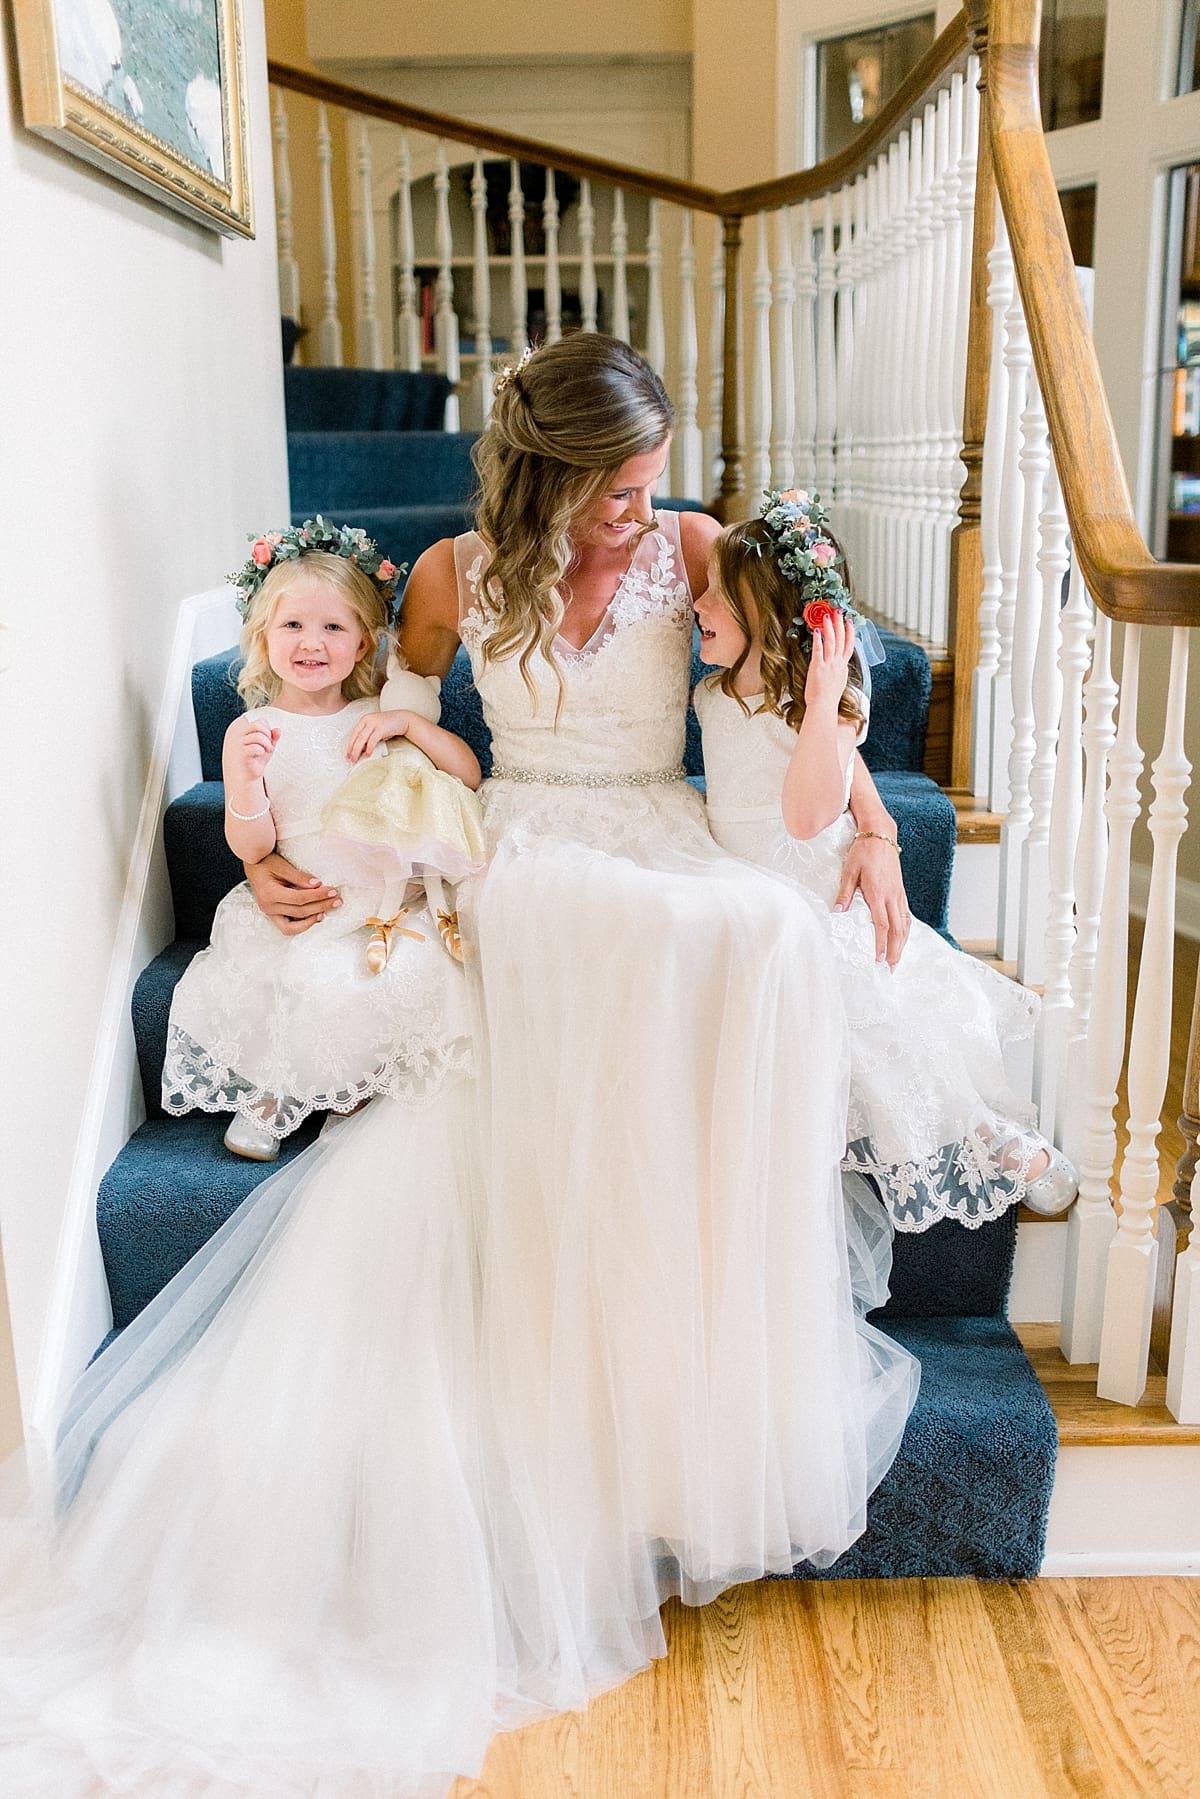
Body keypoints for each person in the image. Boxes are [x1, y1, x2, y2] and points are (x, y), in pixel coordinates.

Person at [0, 340, 918, 1795]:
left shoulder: (691, 549)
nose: (644, 503)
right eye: (615, 485)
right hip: (526, 834)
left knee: (749, 929)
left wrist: (867, 824)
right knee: (583, 918)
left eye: (651, 476)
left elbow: (789, 686)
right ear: (548, 474)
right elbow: (381, 738)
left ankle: (694, 1285)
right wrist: (295, 843)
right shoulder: (451, 576)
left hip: (660, 816)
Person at [693, 492, 1079, 1228]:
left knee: (876, 1030)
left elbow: (808, 815)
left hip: (816, 892)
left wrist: (821, 700)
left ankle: (986, 1134)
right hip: (749, 889)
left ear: (768, 620)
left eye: (718, 592)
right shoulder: (715, 692)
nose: (698, 601)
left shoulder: (825, 708)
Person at [162, 523, 483, 1161]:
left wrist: (411, 724)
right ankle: (276, 1093)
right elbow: (250, 845)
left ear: (365, 639)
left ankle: (345, 1084)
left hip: (380, 905)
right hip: (311, 905)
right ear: (261, 638)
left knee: (391, 978)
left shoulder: (375, 718)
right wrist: (248, 781)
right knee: (303, 975)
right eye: (293, 627)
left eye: (334, 628)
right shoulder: (253, 729)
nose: (313, 643)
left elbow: (468, 775)